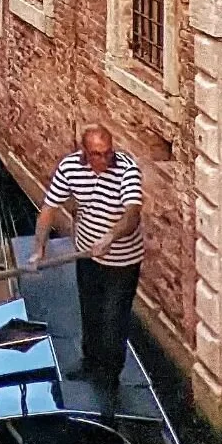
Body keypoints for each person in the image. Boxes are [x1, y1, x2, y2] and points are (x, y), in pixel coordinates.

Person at [30, 123, 144, 389]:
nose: (104, 159)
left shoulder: (127, 170)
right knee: (90, 311)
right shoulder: (70, 167)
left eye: (107, 152)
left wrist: (109, 238)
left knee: (114, 320)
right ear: (85, 152)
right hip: (86, 254)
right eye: (97, 154)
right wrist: (39, 249)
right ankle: (90, 363)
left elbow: (132, 214)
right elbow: (49, 208)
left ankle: (109, 377)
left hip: (122, 262)